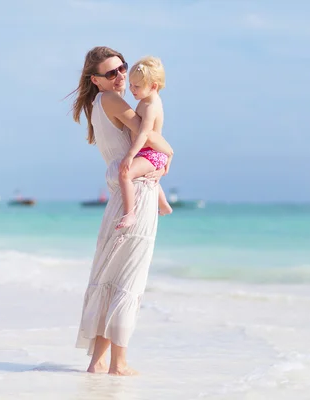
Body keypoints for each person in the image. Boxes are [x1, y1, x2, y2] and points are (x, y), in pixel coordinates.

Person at [69, 46, 172, 376]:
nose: (120, 76)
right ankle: (120, 363)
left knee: (110, 278)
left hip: (123, 195)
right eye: (111, 73)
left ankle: (99, 360)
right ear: (96, 80)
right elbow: (151, 137)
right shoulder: (112, 100)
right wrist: (170, 154)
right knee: (129, 280)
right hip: (138, 193)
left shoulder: (99, 105)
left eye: (122, 68)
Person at [116, 56, 174, 230]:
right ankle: (164, 206)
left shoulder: (150, 106)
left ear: (153, 86)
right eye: (131, 85)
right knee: (149, 179)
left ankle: (129, 214)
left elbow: (144, 133)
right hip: (151, 153)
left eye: (137, 86)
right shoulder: (147, 100)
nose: (132, 89)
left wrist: (130, 155)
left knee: (124, 173)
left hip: (152, 154)